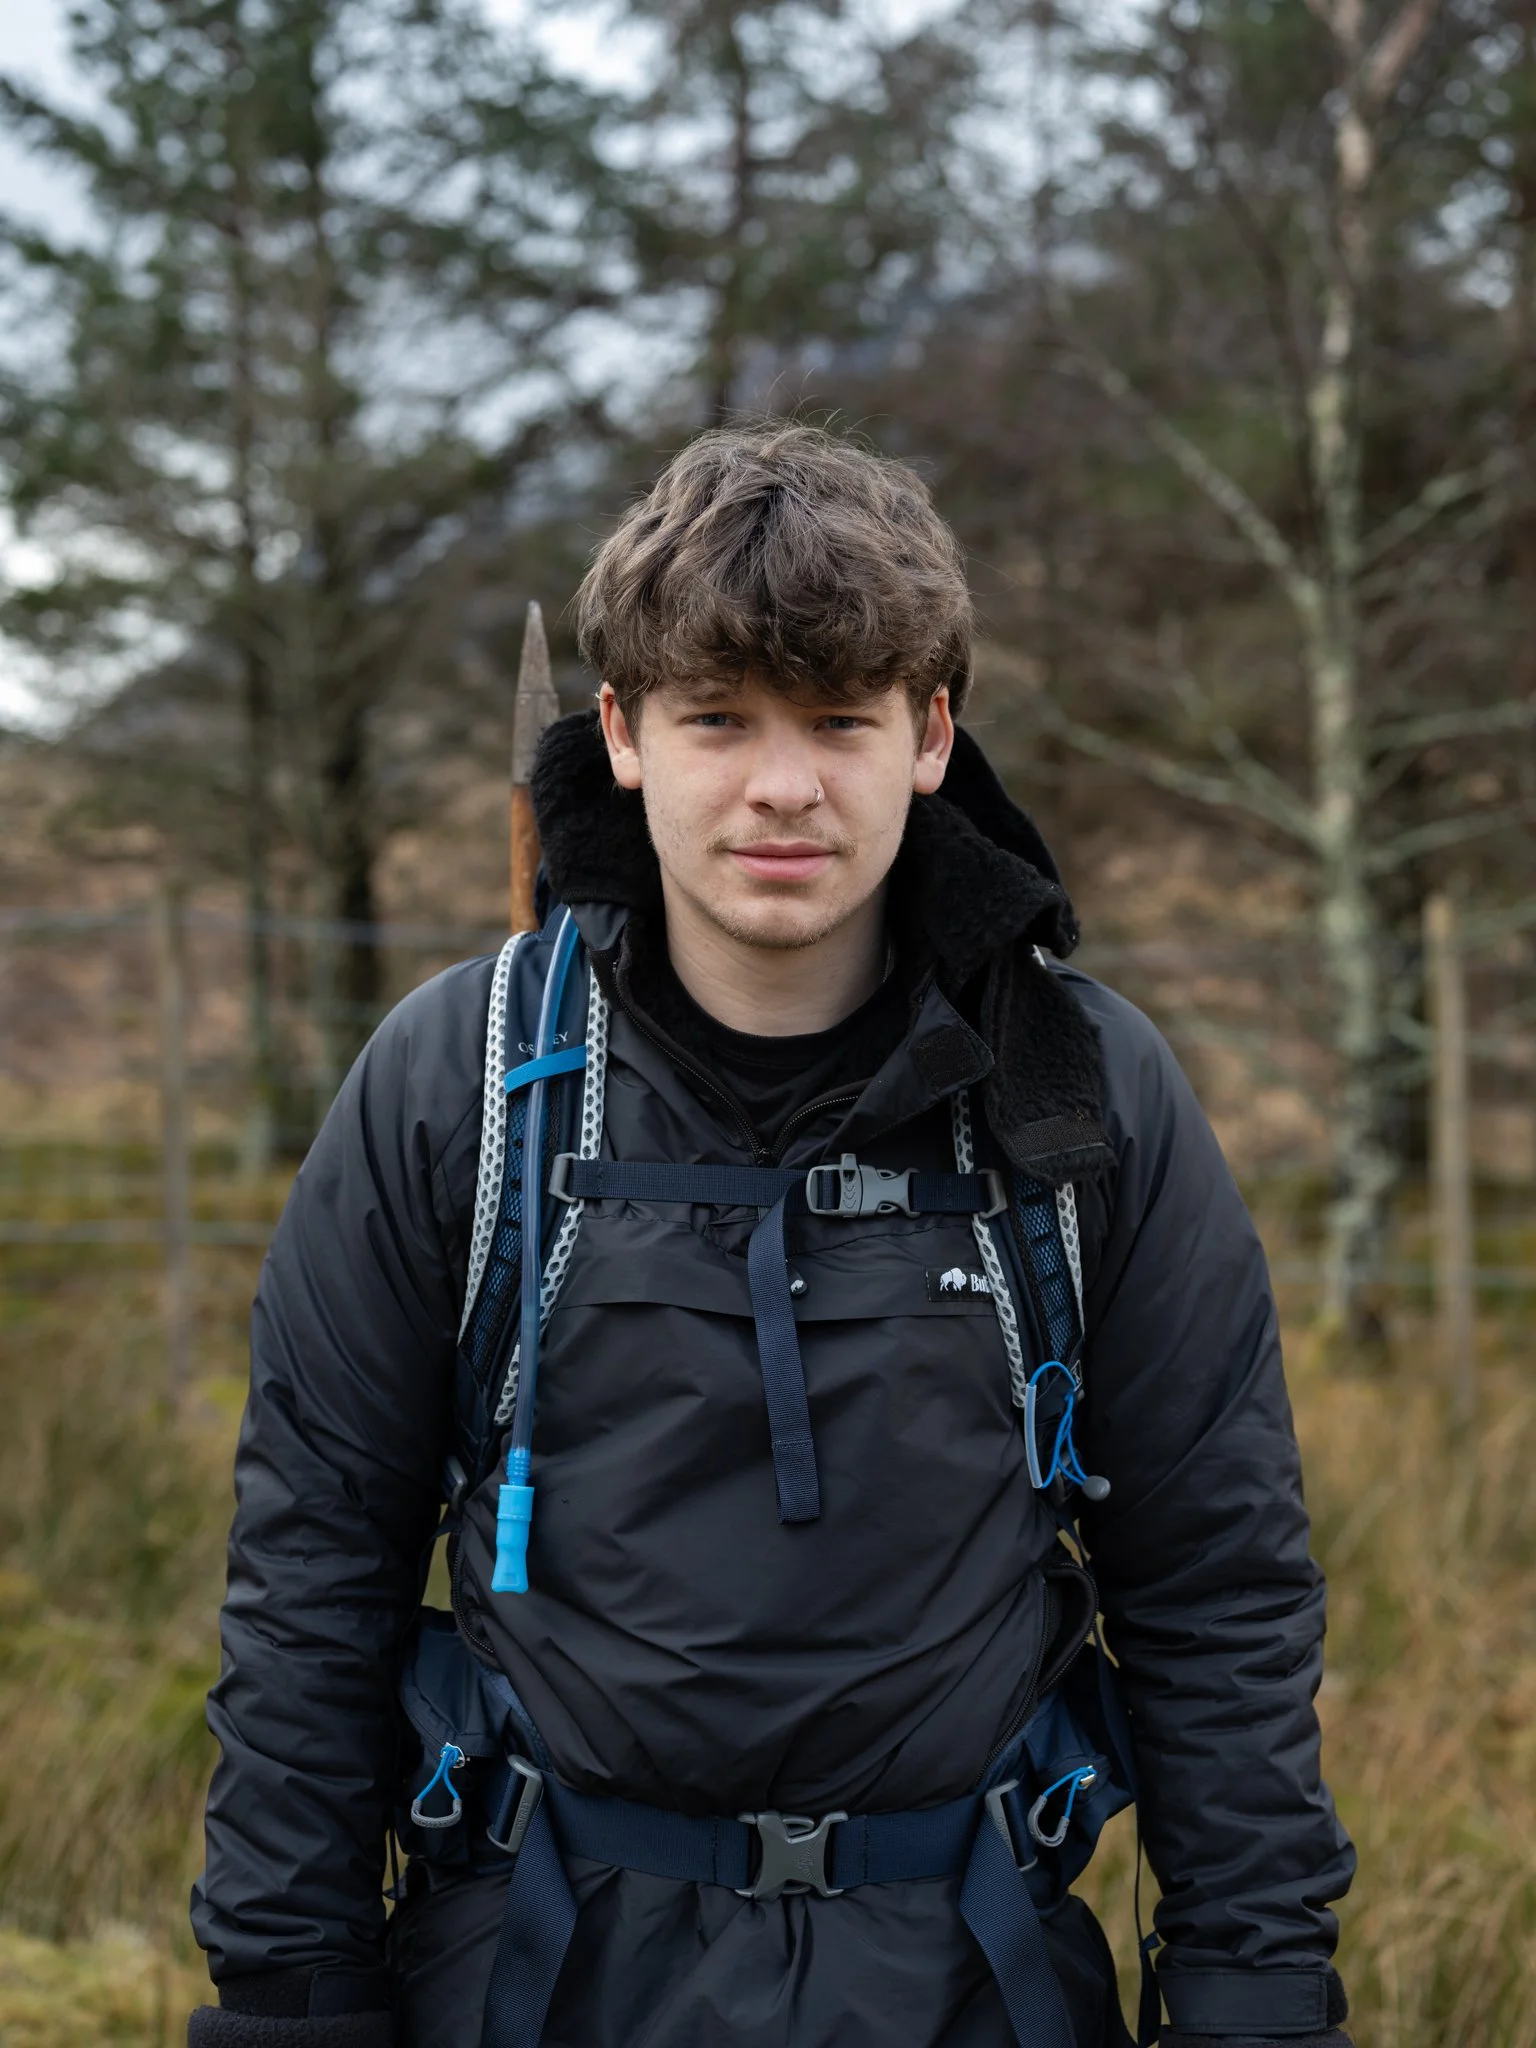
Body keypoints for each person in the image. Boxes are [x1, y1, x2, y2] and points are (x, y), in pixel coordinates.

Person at [188, 423, 1356, 2048]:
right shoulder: (458, 1082)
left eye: (841, 720)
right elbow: (313, 1570)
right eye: (718, 718)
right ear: (621, 733)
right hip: (531, 1980)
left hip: (974, 1985)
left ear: (932, 736)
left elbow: (1219, 1589)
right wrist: (289, 1997)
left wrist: (1254, 1997)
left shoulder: (1078, 1097)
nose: (783, 785)